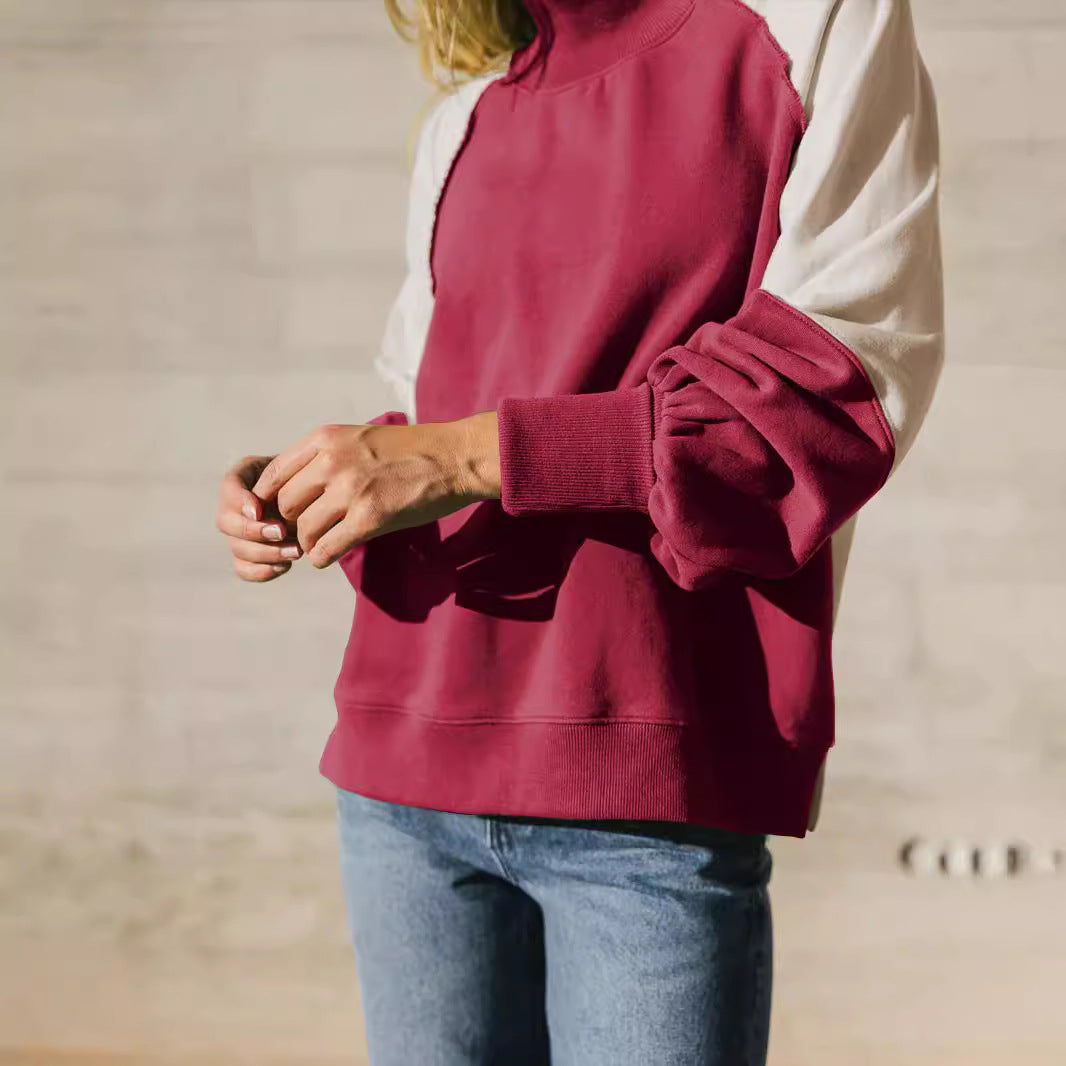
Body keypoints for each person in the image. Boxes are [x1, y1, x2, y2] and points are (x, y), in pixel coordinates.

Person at [214, 1, 943, 1062]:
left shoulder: (806, 21)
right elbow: (426, 429)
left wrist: (458, 455)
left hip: (641, 789)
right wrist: (312, 489)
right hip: (402, 782)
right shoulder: (464, 120)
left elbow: (825, 396)